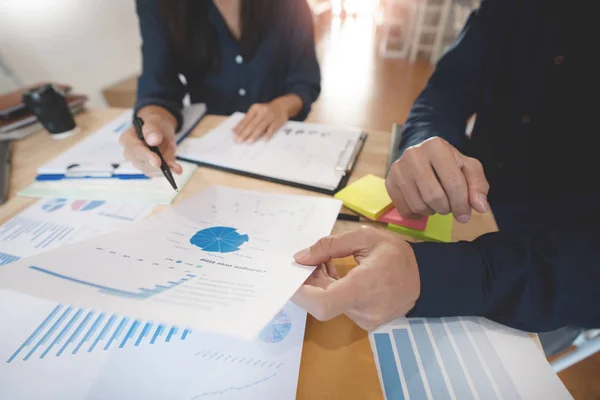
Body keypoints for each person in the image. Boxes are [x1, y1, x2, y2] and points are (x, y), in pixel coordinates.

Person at [291, 0, 600, 341]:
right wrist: (424, 141)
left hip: (557, 283)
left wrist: (435, 274)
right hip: (463, 218)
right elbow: (443, 92)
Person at [119, 0, 320, 176]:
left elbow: (306, 81)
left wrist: (281, 107)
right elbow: (158, 87)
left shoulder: (290, 4)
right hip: (213, 152)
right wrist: (156, 123)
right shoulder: (158, 4)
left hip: (284, 145)